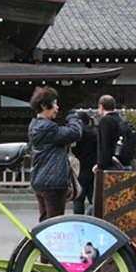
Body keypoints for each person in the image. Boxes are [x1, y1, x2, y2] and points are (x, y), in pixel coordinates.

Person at [93, 95, 136, 247]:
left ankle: (99, 234)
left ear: (101, 107)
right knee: (129, 202)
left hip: (111, 167)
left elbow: (105, 146)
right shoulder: (121, 120)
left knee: (104, 201)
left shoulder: (105, 121)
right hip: (124, 164)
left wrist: (100, 164)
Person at [28, 87, 82, 222]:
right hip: (54, 180)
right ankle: (49, 243)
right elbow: (75, 133)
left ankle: (41, 243)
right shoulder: (48, 128)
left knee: (45, 220)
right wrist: (73, 117)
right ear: (44, 106)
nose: (57, 108)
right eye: (55, 104)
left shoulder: (34, 125)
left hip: (40, 179)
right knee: (54, 222)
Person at [72, 111, 97, 215]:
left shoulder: (79, 134)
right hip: (94, 166)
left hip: (82, 167)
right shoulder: (96, 132)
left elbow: (74, 150)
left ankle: (79, 220)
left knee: (78, 198)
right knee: (93, 198)